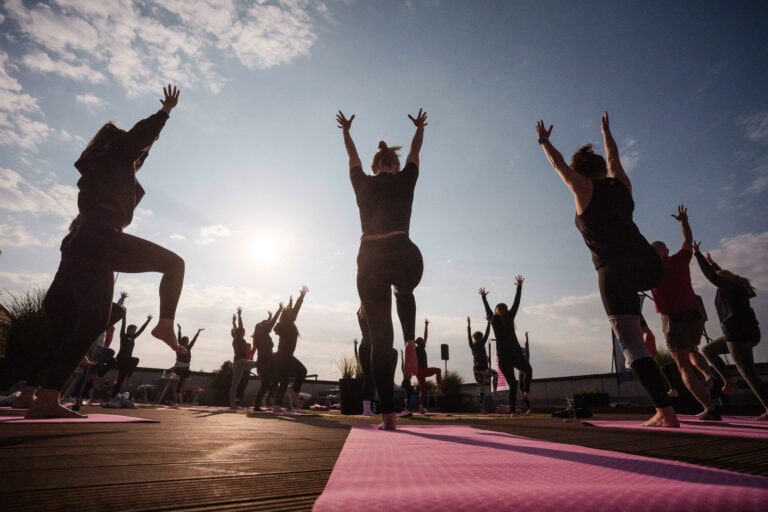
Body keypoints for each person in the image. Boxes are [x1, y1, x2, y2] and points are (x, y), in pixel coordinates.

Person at [14, 86, 186, 419]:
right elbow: (136, 140)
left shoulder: (102, 170)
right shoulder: (114, 155)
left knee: (77, 323)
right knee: (174, 264)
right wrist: (165, 113)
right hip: (101, 237)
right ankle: (165, 324)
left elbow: (139, 151)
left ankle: (36, 396)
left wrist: (152, 139)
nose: (138, 157)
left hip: (83, 243)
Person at [536, 112, 678, 427]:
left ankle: (665, 412)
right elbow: (614, 158)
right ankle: (667, 404)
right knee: (640, 336)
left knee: (632, 346)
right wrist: (606, 133)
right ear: (603, 170)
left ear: (582, 173)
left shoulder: (583, 189)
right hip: (649, 266)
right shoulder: (622, 186)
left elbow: (559, 165)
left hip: (615, 273)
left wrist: (544, 142)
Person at [337, 108, 427, 430]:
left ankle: (388, 415)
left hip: (371, 257)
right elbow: (416, 151)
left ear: (375, 168)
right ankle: (411, 340)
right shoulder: (406, 178)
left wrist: (346, 132)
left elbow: (353, 157)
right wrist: (419, 129)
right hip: (404, 253)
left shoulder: (363, 182)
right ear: (395, 165)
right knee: (404, 288)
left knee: (379, 340)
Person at [650, 205, 720, 420]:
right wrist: (684, 221)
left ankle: (710, 408)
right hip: (694, 315)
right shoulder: (680, 260)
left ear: (652, 254)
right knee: (692, 350)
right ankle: (709, 374)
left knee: (683, 367)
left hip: (673, 318)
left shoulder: (651, 269)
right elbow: (688, 240)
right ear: (667, 251)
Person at [694, 242, 767, 420]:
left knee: (748, 373)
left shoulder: (728, 287)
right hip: (749, 333)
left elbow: (713, 276)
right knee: (708, 349)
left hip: (737, 335)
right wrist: (713, 263)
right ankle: (727, 380)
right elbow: (721, 274)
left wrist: (698, 254)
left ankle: (766, 405)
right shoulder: (736, 287)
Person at [480, 276, 532, 417]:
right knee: (528, 369)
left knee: (513, 385)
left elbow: (488, 311)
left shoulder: (494, 320)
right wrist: (519, 287)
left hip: (503, 357)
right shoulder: (509, 317)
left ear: (497, 311)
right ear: (506, 310)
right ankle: (526, 391)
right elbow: (516, 303)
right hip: (515, 354)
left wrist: (484, 298)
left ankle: (513, 412)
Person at [273, 287, 309, 412]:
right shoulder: (285, 325)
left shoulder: (286, 323)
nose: (295, 315)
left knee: (284, 381)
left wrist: (300, 297)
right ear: (289, 316)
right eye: (293, 314)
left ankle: (277, 406)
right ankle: (294, 391)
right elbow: (293, 311)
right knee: (302, 371)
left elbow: (294, 310)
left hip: (282, 356)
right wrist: (299, 299)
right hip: (284, 356)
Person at [111, 309, 152, 401]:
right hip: (121, 359)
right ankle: (127, 378)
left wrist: (148, 320)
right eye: (133, 330)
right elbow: (123, 325)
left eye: (135, 331)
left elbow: (142, 329)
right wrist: (124, 315)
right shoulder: (123, 335)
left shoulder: (133, 337)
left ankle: (113, 396)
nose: (134, 332)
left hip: (127, 361)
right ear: (128, 330)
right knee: (135, 360)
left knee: (120, 380)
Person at [251, 304, 282, 411]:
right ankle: (258, 406)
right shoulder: (260, 336)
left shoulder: (264, 334)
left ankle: (269, 400)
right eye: (267, 325)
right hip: (264, 363)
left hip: (269, 362)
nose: (271, 326)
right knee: (265, 384)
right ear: (263, 327)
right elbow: (264, 325)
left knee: (274, 381)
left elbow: (271, 322)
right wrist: (267, 320)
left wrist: (279, 310)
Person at [467, 315, 498, 410]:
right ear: (479, 338)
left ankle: (484, 405)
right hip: (479, 370)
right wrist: (488, 322)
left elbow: (470, 336)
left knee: (484, 387)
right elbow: (487, 333)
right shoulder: (478, 343)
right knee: (482, 388)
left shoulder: (473, 344)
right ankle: (483, 406)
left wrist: (469, 325)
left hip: (481, 369)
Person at [229, 307, 257, 410]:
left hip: (237, 363)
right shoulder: (238, 339)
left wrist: (233, 322)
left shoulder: (236, 339)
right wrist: (240, 316)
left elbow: (237, 329)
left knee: (234, 385)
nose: (244, 333)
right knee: (261, 363)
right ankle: (233, 404)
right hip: (241, 362)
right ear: (241, 333)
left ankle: (233, 405)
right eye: (243, 332)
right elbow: (240, 327)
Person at [414, 318, 442, 414]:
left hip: (418, 372)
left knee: (423, 389)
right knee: (438, 370)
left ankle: (421, 408)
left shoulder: (414, 349)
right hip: (423, 370)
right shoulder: (420, 347)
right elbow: (426, 336)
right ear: (421, 342)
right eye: (423, 341)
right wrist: (426, 326)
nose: (424, 342)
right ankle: (438, 388)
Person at [172, 325, 203, 405]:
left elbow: (194, 340)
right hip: (179, 367)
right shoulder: (179, 347)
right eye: (185, 342)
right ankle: (175, 400)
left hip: (186, 367)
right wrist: (179, 329)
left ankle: (180, 392)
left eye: (187, 342)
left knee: (183, 381)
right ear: (182, 342)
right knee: (180, 384)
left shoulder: (188, 347)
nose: (186, 343)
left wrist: (198, 332)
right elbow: (179, 338)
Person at [356, 305, 377, 417]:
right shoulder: (369, 311)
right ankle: (367, 409)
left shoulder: (360, 311)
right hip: (369, 346)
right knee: (370, 378)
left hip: (363, 346)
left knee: (368, 378)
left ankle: (367, 409)